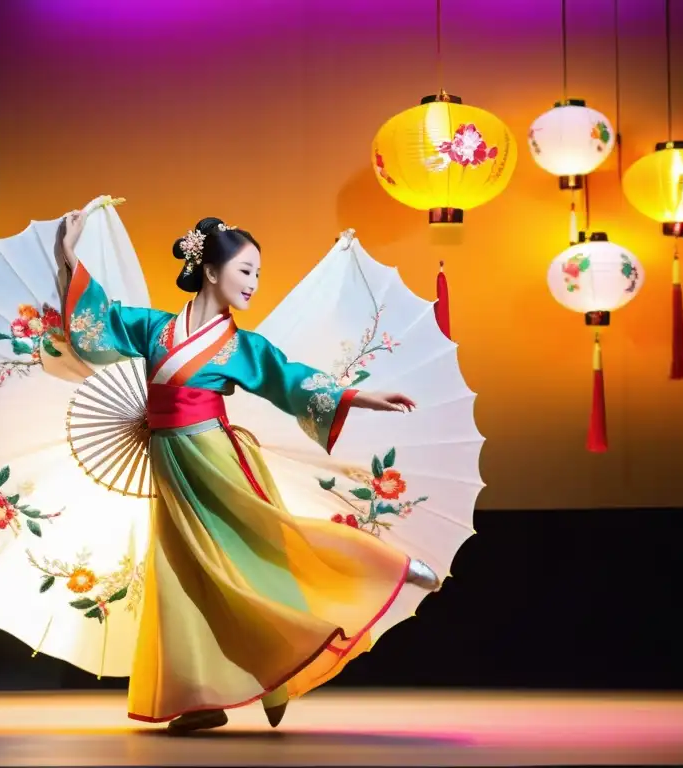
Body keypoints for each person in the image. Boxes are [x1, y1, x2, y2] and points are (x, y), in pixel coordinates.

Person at [60, 210, 440, 733]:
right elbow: (98, 325)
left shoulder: (242, 347)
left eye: (257, 274)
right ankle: (201, 700)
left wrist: (363, 396)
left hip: (215, 459)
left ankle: (387, 569)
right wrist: (70, 257)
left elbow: (291, 381)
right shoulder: (155, 328)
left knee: (265, 547)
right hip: (171, 464)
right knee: (186, 575)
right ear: (211, 272)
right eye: (246, 272)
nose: (254, 285)